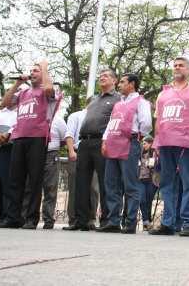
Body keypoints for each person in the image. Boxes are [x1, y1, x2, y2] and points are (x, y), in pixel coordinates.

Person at [0, 60, 60, 229]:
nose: (33, 73)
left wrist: (44, 67)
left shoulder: (48, 90)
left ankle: (31, 218)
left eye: (36, 70)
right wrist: (18, 83)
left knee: (34, 180)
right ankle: (13, 217)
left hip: (38, 137)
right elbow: (5, 102)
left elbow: (48, 90)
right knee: (15, 179)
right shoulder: (23, 93)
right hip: (19, 137)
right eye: (31, 70)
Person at [149, 57, 189, 237]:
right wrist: (156, 142)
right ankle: (168, 222)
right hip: (166, 142)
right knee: (167, 183)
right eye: (174, 65)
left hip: (188, 140)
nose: (177, 67)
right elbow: (158, 120)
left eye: (181, 65)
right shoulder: (163, 93)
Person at [64, 69, 120, 231]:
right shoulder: (94, 100)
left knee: (104, 182)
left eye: (106, 76)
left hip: (102, 142)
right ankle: (81, 220)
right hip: (84, 142)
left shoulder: (118, 99)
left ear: (114, 81)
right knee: (81, 182)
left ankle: (106, 220)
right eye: (100, 76)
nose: (102, 77)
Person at [97, 73, 152, 234]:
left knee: (130, 185)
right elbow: (111, 123)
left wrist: (136, 136)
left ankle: (130, 221)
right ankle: (113, 221)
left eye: (122, 82)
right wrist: (104, 140)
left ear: (132, 84)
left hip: (129, 144)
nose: (119, 84)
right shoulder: (118, 104)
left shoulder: (140, 102)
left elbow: (146, 124)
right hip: (113, 144)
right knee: (111, 184)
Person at [22, 114, 67, 229]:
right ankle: (26, 218)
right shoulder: (35, 118)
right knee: (30, 186)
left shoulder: (59, 120)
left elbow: (64, 139)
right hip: (35, 154)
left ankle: (48, 219)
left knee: (50, 188)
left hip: (51, 154)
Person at [62, 104, 100, 230]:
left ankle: (91, 219)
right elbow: (69, 134)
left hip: (94, 153)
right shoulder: (76, 115)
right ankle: (74, 219)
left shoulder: (100, 116)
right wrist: (71, 151)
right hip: (77, 151)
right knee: (75, 187)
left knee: (93, 188)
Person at [139, 135, 159, 231]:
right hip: (141, 179)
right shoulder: (140, 153)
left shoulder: (155, 153)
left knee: (148, 201)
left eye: (145, 143)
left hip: (152, 179)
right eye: (142, 143)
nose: (143, 145)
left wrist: (154, 163)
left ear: (151, 143)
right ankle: (146, 220)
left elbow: (159, 166)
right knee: (142, 199)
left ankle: (147, 222)